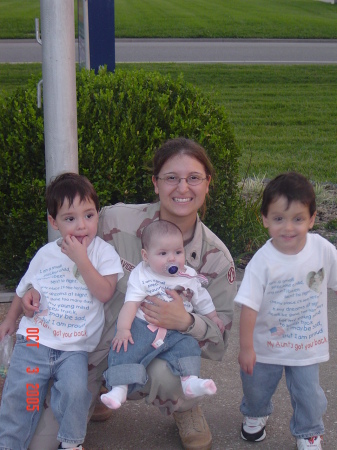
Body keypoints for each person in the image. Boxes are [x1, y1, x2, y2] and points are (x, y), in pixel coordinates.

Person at [0, 138, 236, 450]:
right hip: (85, 350)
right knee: (42, 441)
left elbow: (219, 341)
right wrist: (32, 289)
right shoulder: (114, 220)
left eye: (193, 178)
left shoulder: (216, 259)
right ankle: (95, 392)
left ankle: (185, 406)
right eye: (171, 178)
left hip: (153, 348)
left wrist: (186, 321)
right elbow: (62, 249)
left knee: (171, 375)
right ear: (155, 183)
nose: (182, 188)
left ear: (207, 183)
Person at [0, 173, 124, 450]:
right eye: (70, 219)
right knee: (23, 395)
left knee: (75, 392)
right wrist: (11, 318)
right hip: (35, 339)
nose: (82, 226)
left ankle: (71, 442)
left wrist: (81, 259)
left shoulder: (103, 253)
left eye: (89, 215)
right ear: (53, 222)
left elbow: (104, 292)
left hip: (74, 348)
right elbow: (26, 288)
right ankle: (9, 444)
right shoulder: (46, 254)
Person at [235, 172, 337, 450]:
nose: (288, 228)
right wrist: (246, 347)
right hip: (265, 345)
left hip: (306, 344)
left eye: (298, 219)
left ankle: (309, 431)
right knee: (256, 387)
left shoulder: (322, 250)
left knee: (309, 395)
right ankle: (255, 414)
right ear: (265, 219)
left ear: (312, 218)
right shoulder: (262, 262)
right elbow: (249, 307)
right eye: (279, 218)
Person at [101, 219, 224, 409]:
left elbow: (202, 298)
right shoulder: (142, 275)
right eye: (163, 253)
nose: (172, 259)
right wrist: (124, 329)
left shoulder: (188, 276)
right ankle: (119, 388)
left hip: (176, 331)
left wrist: (213, 316)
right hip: (144, 327)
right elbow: (131, 304)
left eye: (178, 252)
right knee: (123, 349)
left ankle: (190, 381)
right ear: (146, 256)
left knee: (189, 346)